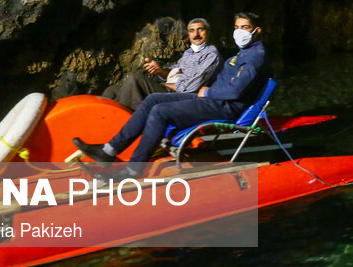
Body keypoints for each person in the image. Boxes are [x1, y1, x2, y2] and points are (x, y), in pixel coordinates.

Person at [74, 12, 271, 178]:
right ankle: (109, 150)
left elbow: (235, 91)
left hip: (224, 107)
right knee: (153, 99)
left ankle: (134, 168)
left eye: (244, 27)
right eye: (236, 27)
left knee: (160, 112)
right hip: (212, 99)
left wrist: (209, 91)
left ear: (257, 30)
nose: (239, 32)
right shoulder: (243, 53)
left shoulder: (255, 57)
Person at [102, 18, 221, 110]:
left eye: (200, 29)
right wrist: (159, 70)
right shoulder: (189, 52)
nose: (196, 34)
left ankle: (130, 122)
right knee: (112, 90)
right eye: (191, 31)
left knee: (135, 80)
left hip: (183, 96)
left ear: (208, 32)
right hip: (172, 87)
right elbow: (174, 72)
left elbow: (189, 88)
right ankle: (99, 120)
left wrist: (164, 85)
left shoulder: (211, 55)